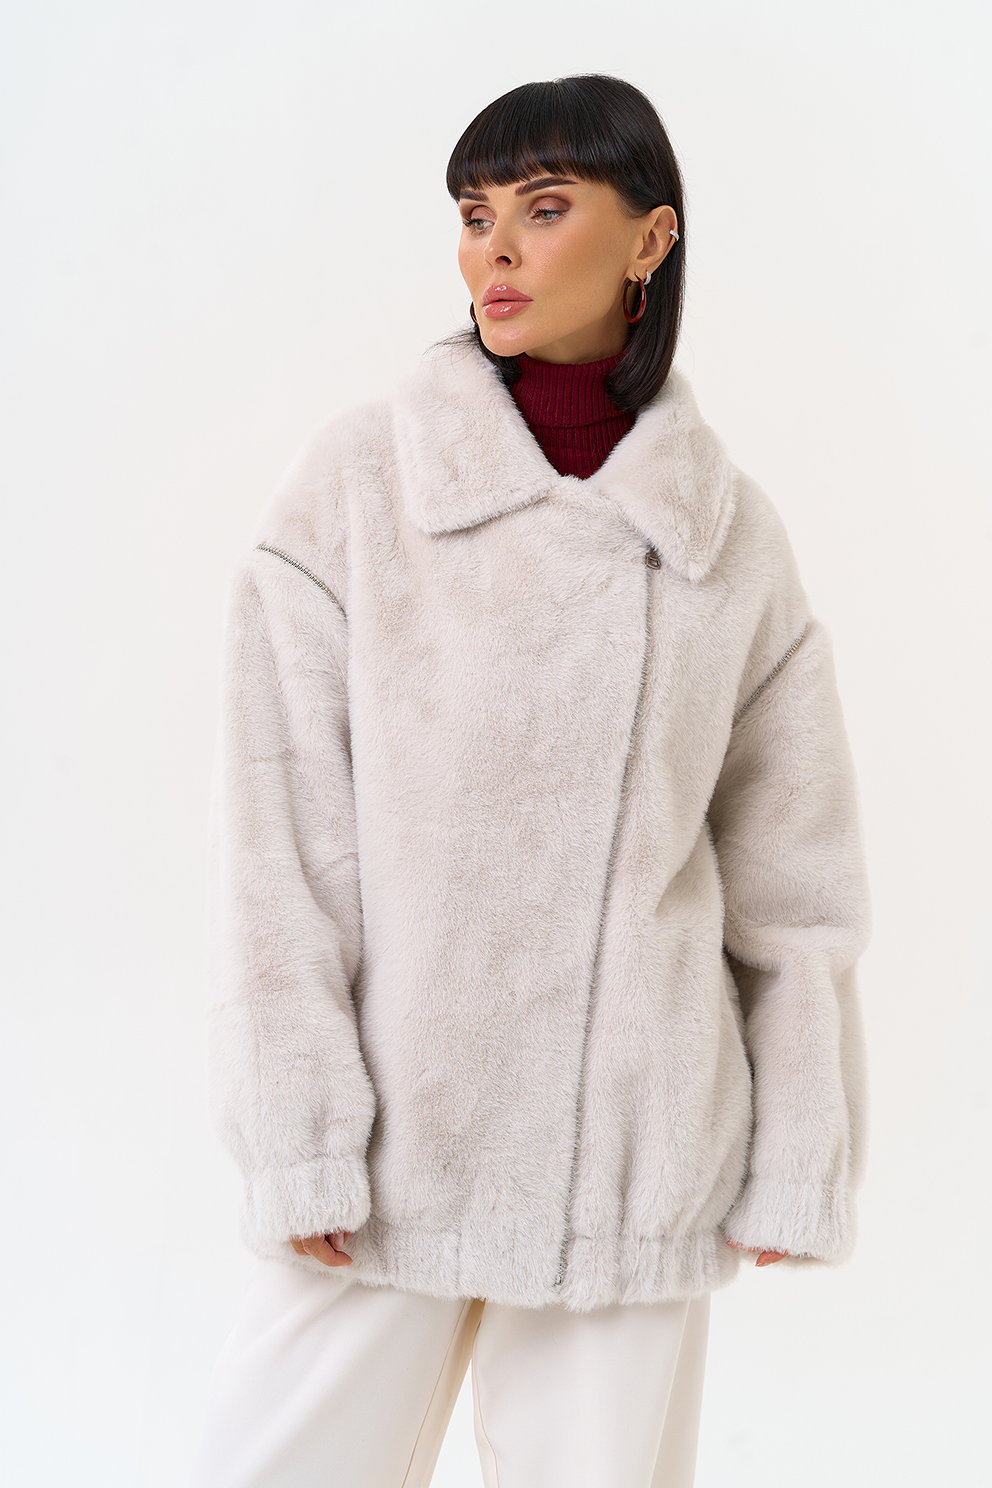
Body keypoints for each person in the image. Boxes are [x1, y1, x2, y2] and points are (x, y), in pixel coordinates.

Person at [189, 74, 870, 1488]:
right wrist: (301, 1133)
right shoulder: (356, 491)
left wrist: (797, 1145)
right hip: (388, 1151)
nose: (494, 250)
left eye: (545, 209)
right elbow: (280, 844)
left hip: (635, 1157)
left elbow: (795, 885)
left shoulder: (728, 537)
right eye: (475, 214)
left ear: (650, 239)